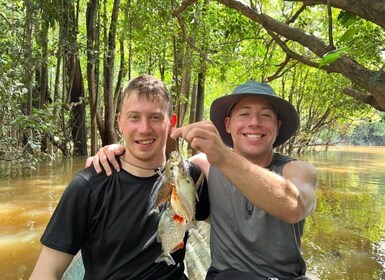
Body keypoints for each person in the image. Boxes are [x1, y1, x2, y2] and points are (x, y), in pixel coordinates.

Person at [89, 80, 318, 280]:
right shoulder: (206, 166)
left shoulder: (298, 171)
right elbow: (163, 162)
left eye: (265, 115)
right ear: (228, 124)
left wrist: (224, 156)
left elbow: (293, 207)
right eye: (244, 114)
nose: (254, 122)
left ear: (277, 127)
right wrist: (118, 150)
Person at [29, 75, 207, 280]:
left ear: (172, 123)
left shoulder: (189, 178)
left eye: (155, 117)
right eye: (134, 117)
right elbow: (47, 271)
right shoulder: (89, 185)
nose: (144, 128)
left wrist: (215, 154)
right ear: (120, 121)